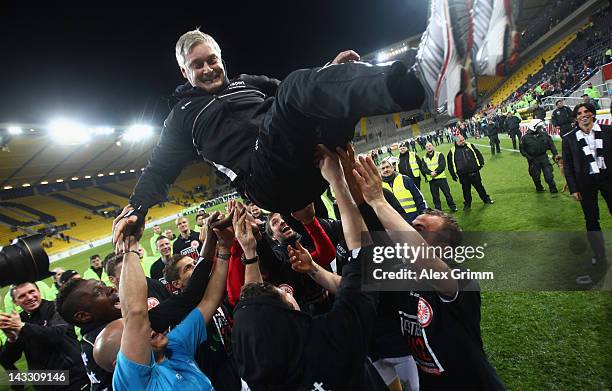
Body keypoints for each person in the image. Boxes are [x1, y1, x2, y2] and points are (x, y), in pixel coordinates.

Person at [112, 0, 522, 246]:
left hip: (308, 160)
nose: (207, 69)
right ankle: (422, 81)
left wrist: (332, 74)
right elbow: (159, 169)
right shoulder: (182, 117)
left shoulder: (247, 84)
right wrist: (138, 209)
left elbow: (305, 96)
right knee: (294, 89)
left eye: (212, 60)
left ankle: (468, 59)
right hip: (267, 179)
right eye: (197, 65)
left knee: (326, 89)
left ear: (221, 59)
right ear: (185, 72)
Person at [232, 146, 387, 390]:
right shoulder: (334, 337)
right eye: (283, 294)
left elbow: (249, 310)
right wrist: (338, 180)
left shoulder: (256, 377)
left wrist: (248, 250)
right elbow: (363, 256)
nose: (286, 292)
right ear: (286, 312)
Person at [351, 156, 505, 390]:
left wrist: (378, 201)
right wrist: (340, 172)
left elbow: (420, 253)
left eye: (419, 229)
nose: (409, 231)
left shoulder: (460, 280)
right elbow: (350, 285)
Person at [98, 228, 228, 391]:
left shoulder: (174, 345)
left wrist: (224, 248)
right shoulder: (131, 383)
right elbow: (136, 314)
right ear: (121, 365)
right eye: (135, 332)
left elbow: (210, 300)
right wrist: (130, 248)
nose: (147, 327)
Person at [0, 282, 90, 391]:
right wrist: (12, 338)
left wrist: (23, 327)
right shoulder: (20, 320)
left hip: (74, 378)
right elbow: (8, 360)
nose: (29, 297)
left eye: (31, 292)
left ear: (39, 292)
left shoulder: (57, 308)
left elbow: (56, 335)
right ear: (15, 302)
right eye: (22, 296)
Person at [561, 103, 611, 282]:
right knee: (592, 220)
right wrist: (574, 188)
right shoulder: (569, 138)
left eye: (587, 112)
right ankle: (599, 255)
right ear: (576, 118)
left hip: (608, 178)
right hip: (585, 183)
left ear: (592, 114)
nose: (584, 115)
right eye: (580, 113)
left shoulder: (608, 130)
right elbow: (567, 165)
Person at [447, 135, 494, 210]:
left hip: (474, 172)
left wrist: (481, 163)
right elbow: (450, 164)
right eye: (461, 141)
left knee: (480, 187)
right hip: (462, 175)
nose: (463, 142)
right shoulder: (452, 151)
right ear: (456, 142)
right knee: (466, 190)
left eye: (463, 140)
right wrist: (453, 175)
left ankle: (486, 199)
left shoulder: (470, 146)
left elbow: (478, 154)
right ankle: (467, 204)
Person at [379, 157, 427, 222]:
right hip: (393, 220)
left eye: (387, 167)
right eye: (383, 168)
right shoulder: (379, 186)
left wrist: (423, 213)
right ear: (380, 172)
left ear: (393, 168)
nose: (385, 170)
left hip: (413, 217)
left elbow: (419, 197)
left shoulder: (405, 179)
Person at [520, 119, 559, 193]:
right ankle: (539, 187)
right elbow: (522, 150)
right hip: (533, 160)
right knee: (535, 176)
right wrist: (529, 157)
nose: (541, 128)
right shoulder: (525, 138)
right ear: (533, 127)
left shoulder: (544, 135)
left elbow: (551, 145)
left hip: (544, 157)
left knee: (549, 175)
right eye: (539, 127)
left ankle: (553, 187)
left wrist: (555, 154)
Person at [422, 143, 457, 212]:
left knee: (447, 193)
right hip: (432, 180)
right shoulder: (424, 158)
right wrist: (430, 173)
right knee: (435, 196)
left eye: (430, 146)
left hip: (441, 178)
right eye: (427, 147)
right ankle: (438, 210)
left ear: (433, 146)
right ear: (425, 148)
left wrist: (436, 172)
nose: (428, 147)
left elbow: (442, 165)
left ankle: (453, 207)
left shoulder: (439, 154)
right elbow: (424, 168)